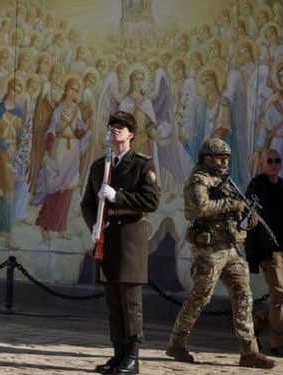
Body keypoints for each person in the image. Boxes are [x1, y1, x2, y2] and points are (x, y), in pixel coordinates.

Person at [166, 138, 275, 369]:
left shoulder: (226, 182)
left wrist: (246, 219)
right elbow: (200, 208)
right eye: (220, 158)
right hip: (209, 249)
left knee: (243, 296)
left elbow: (234, 213)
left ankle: (249, 351)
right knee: (200, 297)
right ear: (206, 158)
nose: (225, 163)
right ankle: (177, 342)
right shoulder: (198, 180)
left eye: (227, 158)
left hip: (231, 247)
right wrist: (231, 205)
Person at [81, 111, 160, 375]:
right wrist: (94, 224)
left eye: (122, 127)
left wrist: (119, 197)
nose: (116, 130)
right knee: (114, 303)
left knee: (130, 304)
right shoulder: (99, 166)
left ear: (131, 134)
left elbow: (151, 201)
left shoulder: (141, 165)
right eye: (113, 126)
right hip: (107, 239)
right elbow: (87, 204)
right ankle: (118, 355)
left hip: (130, 240)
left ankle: (133, 358)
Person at [245, 149, 283, 358]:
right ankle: (278, 343)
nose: (274, 164)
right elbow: (251, 223)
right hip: (270, 251)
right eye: (270, 161)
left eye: (277, 160)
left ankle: (255, 324)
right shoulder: (256, 188)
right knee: (280, 296)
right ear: (261, 165)